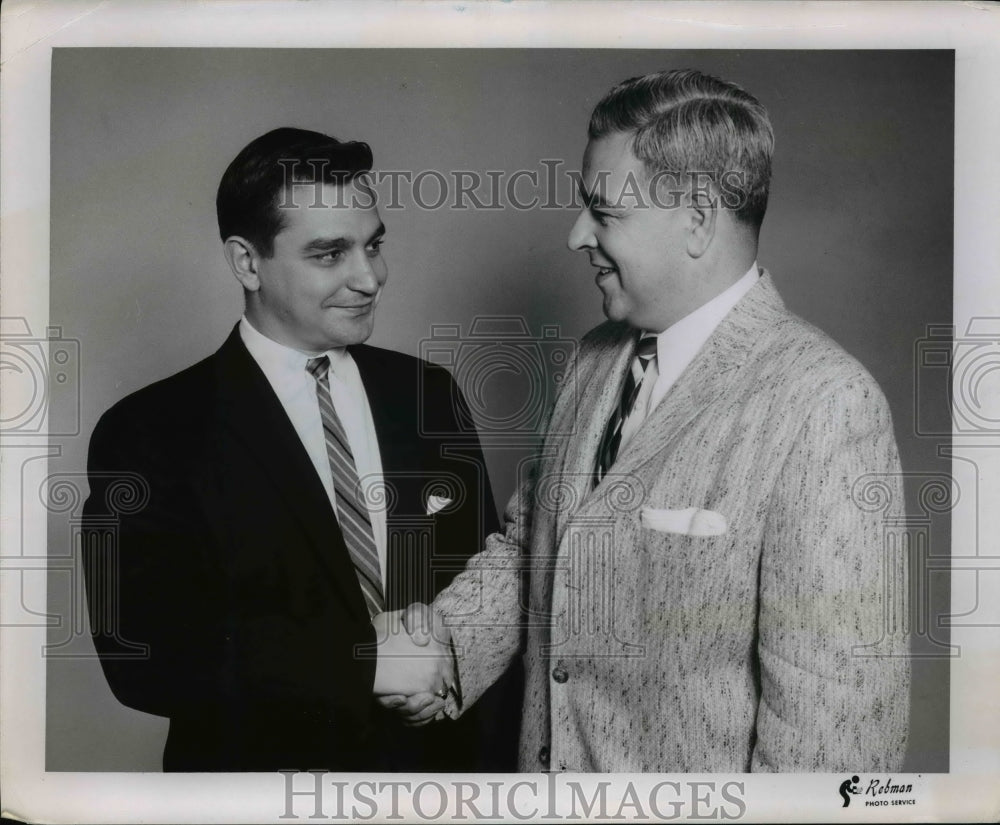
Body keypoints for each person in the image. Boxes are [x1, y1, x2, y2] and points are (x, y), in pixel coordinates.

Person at [384, 69, 910, 772]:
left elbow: (835, 748)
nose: (576, 235)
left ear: (696, 220)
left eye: (605, 212)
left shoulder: (826, 403)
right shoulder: (592, 361)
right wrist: (439, 649)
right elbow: (531, 551)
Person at [81, 127, 514, 771]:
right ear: (247, 262)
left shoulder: (428, 395)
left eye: (373, 245)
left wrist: (451, 671)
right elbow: (143, 657)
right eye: (329, 253)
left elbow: (488, 583)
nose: (368, 278)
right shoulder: (149, 429)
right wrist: (362, 668)